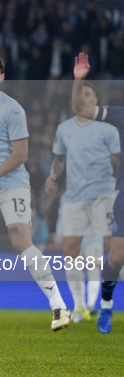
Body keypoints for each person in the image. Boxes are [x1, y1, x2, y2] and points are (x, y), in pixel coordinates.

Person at [0, 54, 71, 340]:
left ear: (1, 77)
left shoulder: (13, 110)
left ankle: (59, 307)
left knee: (22, 244)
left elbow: (21, 154)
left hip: (12, 185)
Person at [45, 81, 119, 323]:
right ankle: (79, 307)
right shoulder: (64, 128)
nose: (84, 99)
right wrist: (54, 177)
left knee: (114, 250)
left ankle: (105, 300)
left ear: (96, 100)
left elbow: (117, 160)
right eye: (81, 95)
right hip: (75, 197)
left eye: (89, 95)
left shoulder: (109, 129)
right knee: (70, 250)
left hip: (104, 195)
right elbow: (59, 158)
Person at [71, 51, 124, 333]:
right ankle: (105, 304)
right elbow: (83, 110)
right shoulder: (120, 115)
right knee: (115, 258)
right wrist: (79, 81)